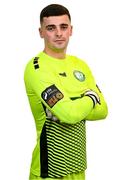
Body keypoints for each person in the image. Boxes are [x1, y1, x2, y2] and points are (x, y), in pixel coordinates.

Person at [24, 4, 108, 180]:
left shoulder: (80, 65)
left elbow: (103, 111)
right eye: (51, 28)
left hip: (78, 168)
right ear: (41, 32)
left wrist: (71, 105)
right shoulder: (36, 67)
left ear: (71, 30)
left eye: (63, 27)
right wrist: (89, 97)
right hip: (48, 172)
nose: (58, 33)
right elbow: (69, 114)